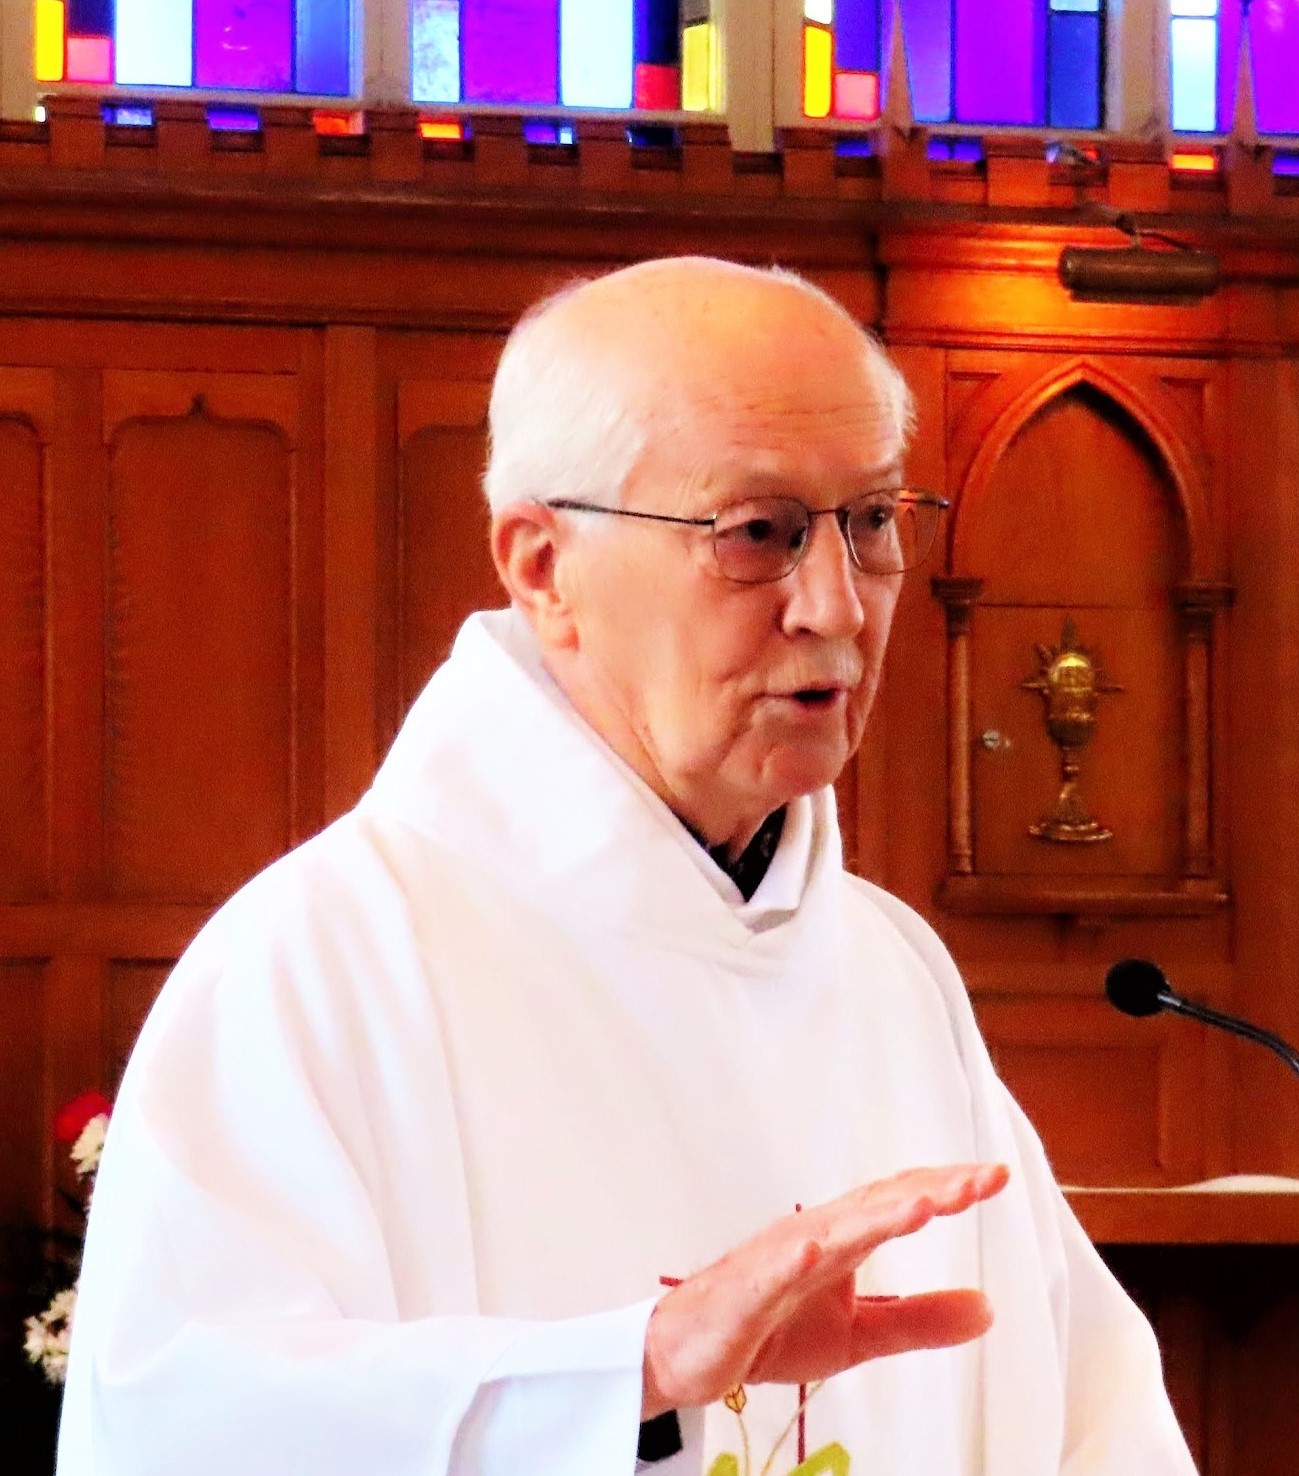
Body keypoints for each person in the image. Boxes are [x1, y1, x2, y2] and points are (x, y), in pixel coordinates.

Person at [57, 257, 1195, 1476]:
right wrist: (630, 1376)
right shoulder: (323, 965)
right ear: (543, 568)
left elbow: (1094, 1421)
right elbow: (184, 1429)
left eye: (870, 523)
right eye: (759, 533)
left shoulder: (889, 971)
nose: (837, 607)